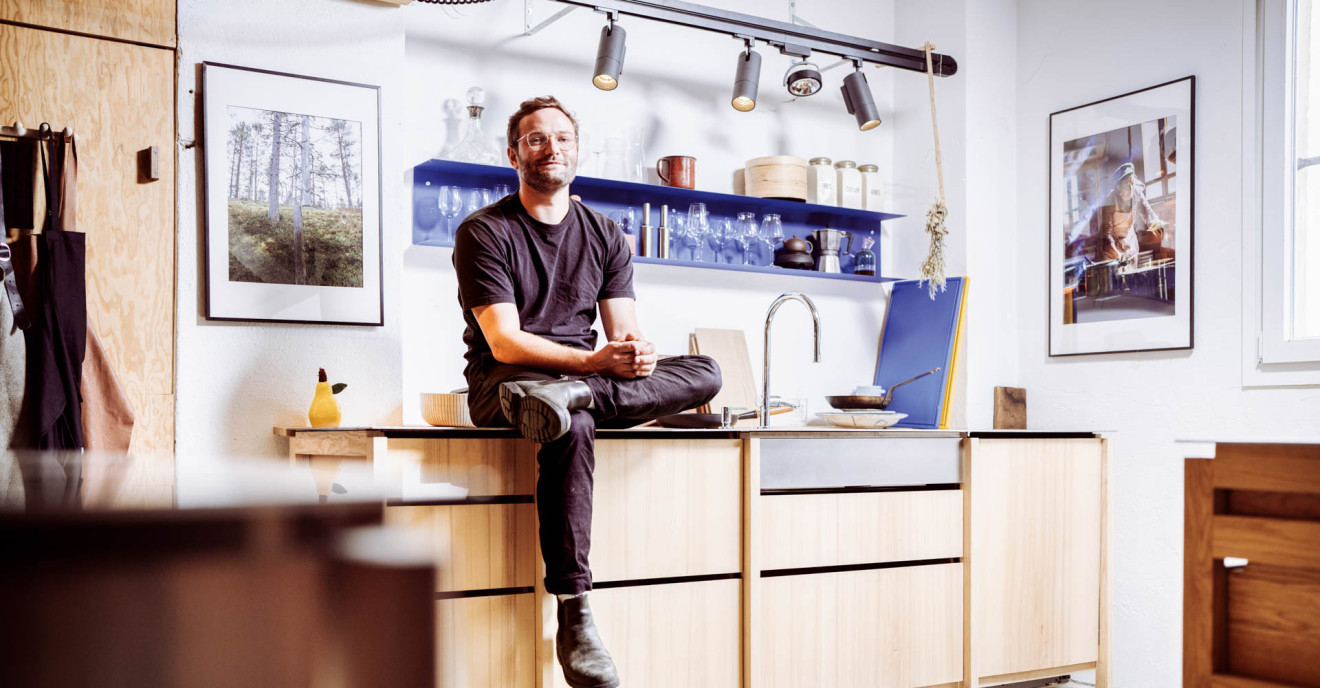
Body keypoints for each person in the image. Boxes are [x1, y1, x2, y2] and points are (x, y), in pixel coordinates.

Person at [451, 96, 722, 688]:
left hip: (583, 382)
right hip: (509, 383)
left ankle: (576, 395)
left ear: (578, 151)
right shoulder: (484, 231)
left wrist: (636, 353)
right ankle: (575, 613)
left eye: (563, 139)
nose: (551, 148)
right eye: (536, 139)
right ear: (513, 154)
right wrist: (595, 361)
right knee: (568, 423)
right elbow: (504, 341)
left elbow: (623, 332)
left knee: (705, 371)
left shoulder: (606, 233)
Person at [1094, 162, 1168, 263]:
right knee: (1115, 275)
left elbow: (1148, 212)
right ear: (1118, 187)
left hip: (1129, 243)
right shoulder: (1110, 201)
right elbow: (1107, 233)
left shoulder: (1136, 192)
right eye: (1126, 186)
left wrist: (1158, 226)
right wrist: (1118, 253)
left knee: (1130, 275)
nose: (1130, 189)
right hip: (1110, 248)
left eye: (1132, 184)